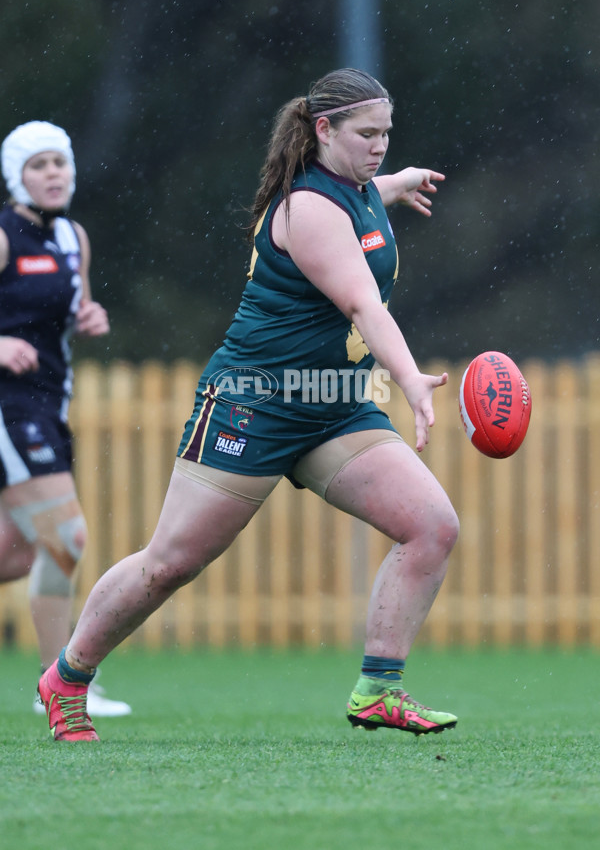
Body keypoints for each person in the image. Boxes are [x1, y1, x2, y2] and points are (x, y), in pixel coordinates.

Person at [38, 69, 459, 742]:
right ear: (323, 129)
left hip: (333, 405)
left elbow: (365, 198)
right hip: (252, 403)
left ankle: (380, 686)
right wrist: (408, 377)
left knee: (432, 524)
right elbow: (361, 304)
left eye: (387, 134)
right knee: (170, 562)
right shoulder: (308, 209)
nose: (379, 146)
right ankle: (68, 674)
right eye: (366, 135)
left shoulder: (357, 189)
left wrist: (397, 181)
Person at [0, 120, 131, 717]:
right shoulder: (3, 235)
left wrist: (88, 316)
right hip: (9, 406)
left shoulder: (74, 237)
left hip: (50, 405)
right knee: (65, 537)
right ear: (16, 177)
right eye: (39, 165)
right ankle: (59, 684)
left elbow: (70, 306)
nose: (54, 174)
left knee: (23, 552)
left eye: (61, 163)